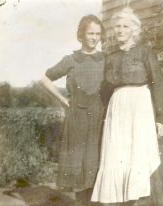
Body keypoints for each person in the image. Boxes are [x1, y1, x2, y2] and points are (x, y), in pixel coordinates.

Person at [91, 7, 163, 206]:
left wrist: (161, 118)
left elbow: (158, 84)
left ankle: (138, 200)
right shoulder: (110, 57)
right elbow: (105, 90)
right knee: (118, 153)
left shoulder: (145, 52)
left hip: (140, 106)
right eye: (117, 26)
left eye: (125, 26)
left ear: (134, 30)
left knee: (138, 153)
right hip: (118, 107)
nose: (120, 30)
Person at [40, 15, 105, 206]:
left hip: (99, 117)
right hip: (77, 118)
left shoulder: (106, 59)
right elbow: (44, 79)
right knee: (79, 164)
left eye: (98, 34)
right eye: (90, 33)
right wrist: (62, 100)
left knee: (96, 161)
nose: (94, 37)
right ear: (81, 35)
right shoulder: (71, 60)